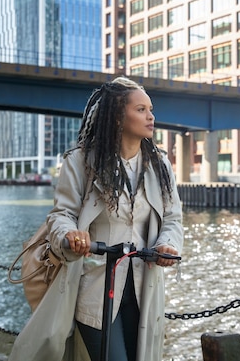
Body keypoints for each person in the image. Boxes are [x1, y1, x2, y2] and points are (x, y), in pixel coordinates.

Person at [41, 76, 183, 361]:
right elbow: (62, 215)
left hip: (145, 287)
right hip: (94, 285)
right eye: (141, 109)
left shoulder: (160, 165)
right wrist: (71, 236)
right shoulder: (80, 162)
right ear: (118, 116)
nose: (151, 116)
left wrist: (167, 245)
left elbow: (173, 219)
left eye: (150, 109)